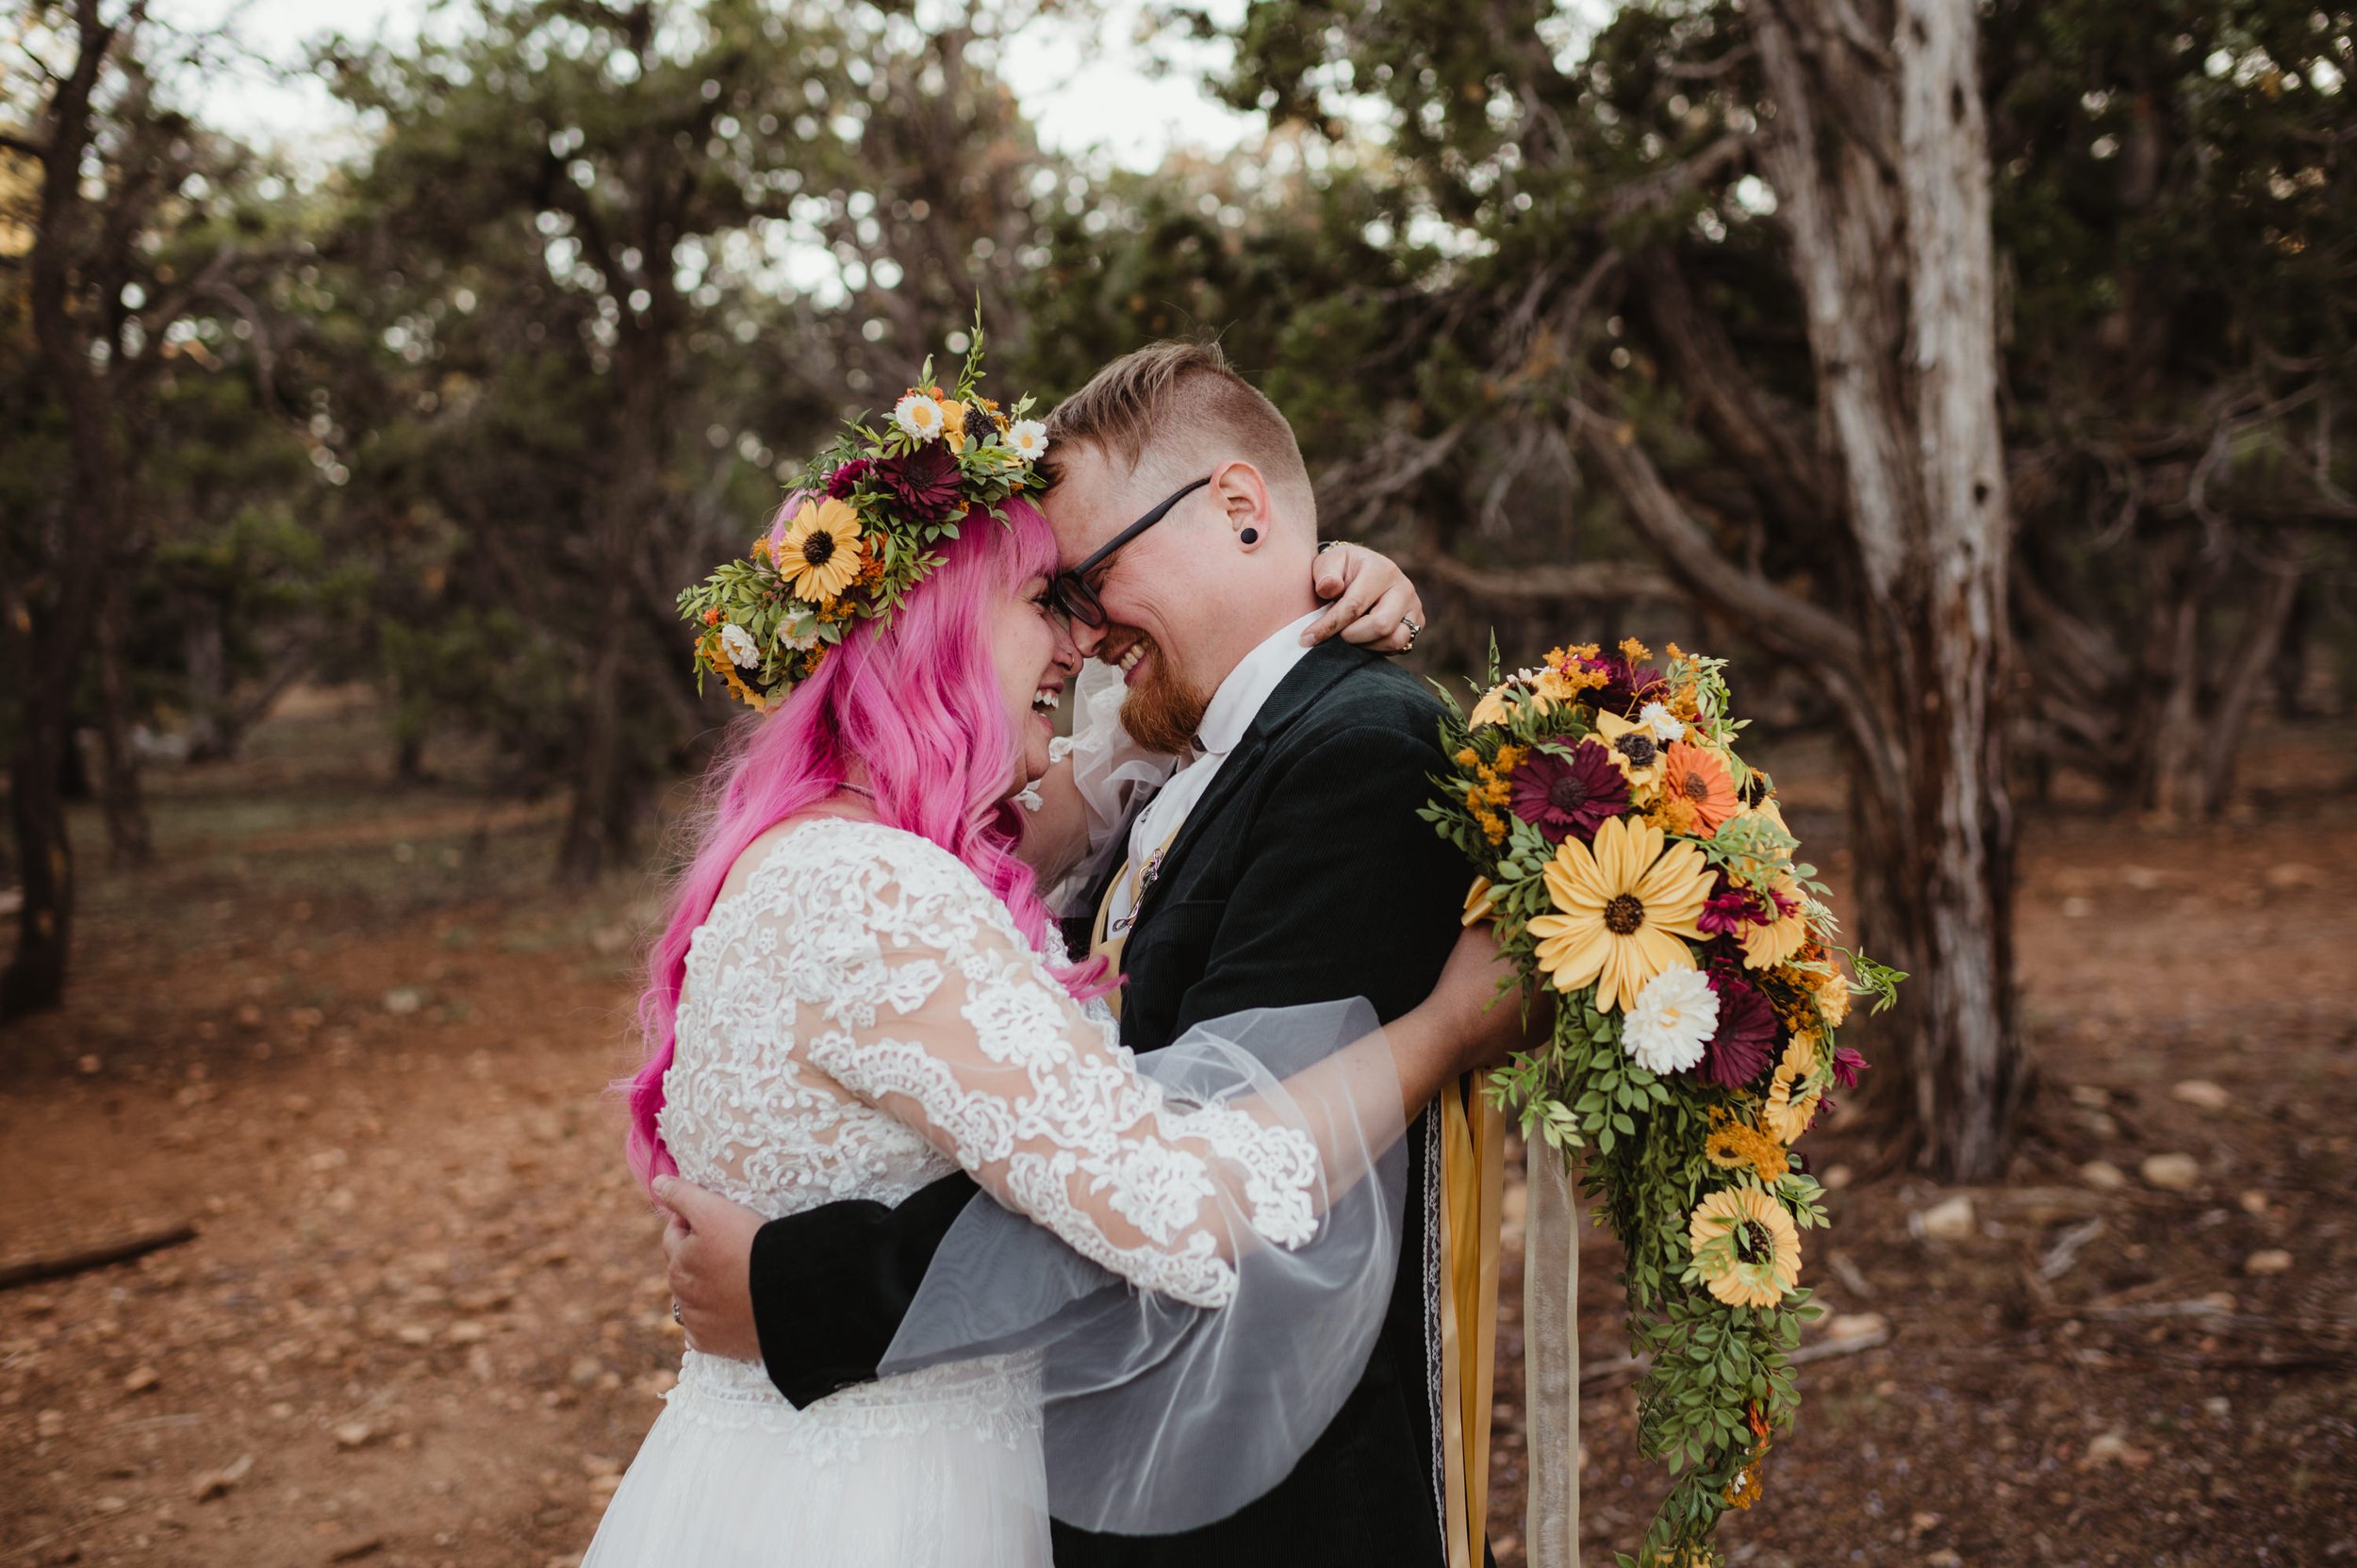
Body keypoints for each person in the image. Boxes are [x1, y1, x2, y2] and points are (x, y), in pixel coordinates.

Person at [585, 339, 1532, 1567]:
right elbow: (1142, 1172)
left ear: (1239, 508)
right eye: (1051, 596)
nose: (1080, 637)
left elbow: (1208, 1175)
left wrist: (798, 1292)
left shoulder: (1356, 749)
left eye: (1088, 579)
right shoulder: (1023, 815)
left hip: (1259, 1502)